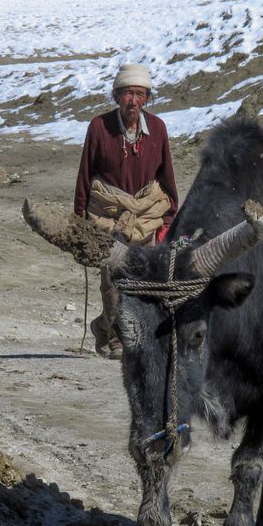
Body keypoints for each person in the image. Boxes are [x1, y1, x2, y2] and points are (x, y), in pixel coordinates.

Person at [74, 63, 179, 359]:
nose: (133, 100)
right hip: (107, 215)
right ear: (117, 96)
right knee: (111, 280)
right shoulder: (99, 127)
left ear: (147, 98)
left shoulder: (157, 128)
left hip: (145, 216)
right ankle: (118, 337)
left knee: (142, 279)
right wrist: (79, 217)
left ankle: (104, 326)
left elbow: (165, 174)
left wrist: (169, 212)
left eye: (139, 94)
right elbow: (85, 173)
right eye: (127, 94)